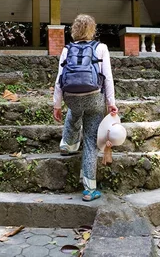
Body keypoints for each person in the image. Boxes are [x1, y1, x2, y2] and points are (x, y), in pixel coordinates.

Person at [53, 14, 118, 201]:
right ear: (92, 30)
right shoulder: (101, 48)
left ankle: (68, 144)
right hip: (95, 97)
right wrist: (111, 103)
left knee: (74, 111)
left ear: (74, 30)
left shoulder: (67, 49)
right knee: (90, 140)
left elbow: (59, 80)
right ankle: (89, 190)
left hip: (71, 97)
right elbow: (108, 77)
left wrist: (57, 105)